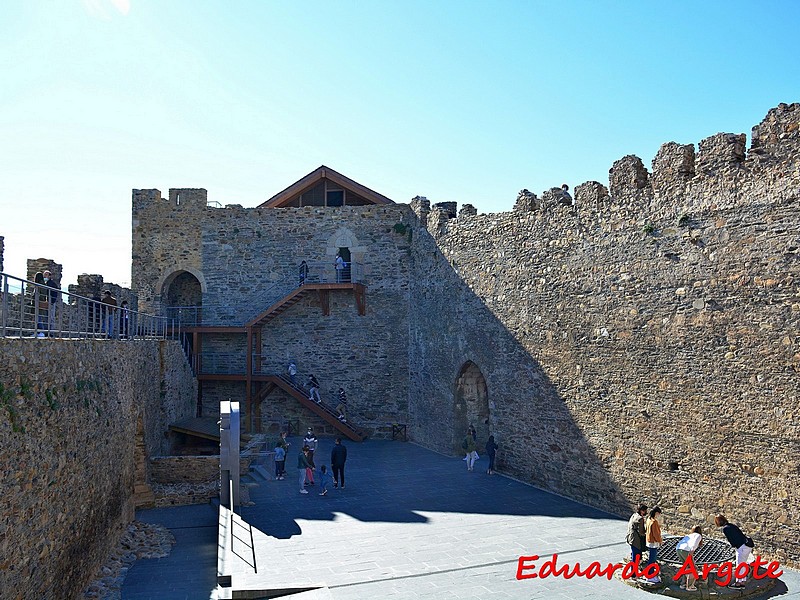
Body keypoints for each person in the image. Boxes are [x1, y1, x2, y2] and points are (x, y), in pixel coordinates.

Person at [715, 514, 754, 588]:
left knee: (739, 565)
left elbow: (732, 540)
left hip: (741, 547)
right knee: (743, 564)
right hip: (747, 546)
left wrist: (734, 546)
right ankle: (743, 581)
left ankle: (738, 583)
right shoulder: (731, 525)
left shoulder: (725, 529)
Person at [675, 526, 703, 591]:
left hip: (678, 549)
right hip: (686, 550)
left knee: (687, 567)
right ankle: (690, 586)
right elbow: (694, 544)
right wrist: (691, 552)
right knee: (693, 569)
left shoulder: (690, 535)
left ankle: (683, 584)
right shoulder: (698, 535)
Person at [645, 507, 663, 583]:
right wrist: (660, 541)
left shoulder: (648, 519)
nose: (659, 515)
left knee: (651, 559)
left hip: (649, 541)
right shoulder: (654, 522)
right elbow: (656, 534)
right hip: (653, 543)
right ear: (656, 513)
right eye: (658, 514)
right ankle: (650, 575)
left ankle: (650, 574)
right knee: (652, 560)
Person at [33, 272, 47, 337]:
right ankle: (38, 332)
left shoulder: (40, 285)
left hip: (39, 303)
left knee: (38, 318)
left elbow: (41, 294)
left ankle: (41, 332)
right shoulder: (42, 284)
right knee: (38, 318)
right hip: (39, 303)